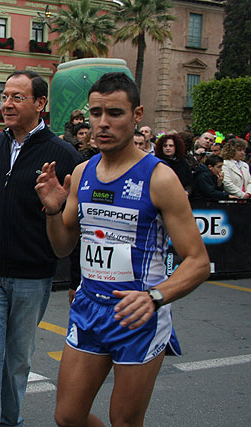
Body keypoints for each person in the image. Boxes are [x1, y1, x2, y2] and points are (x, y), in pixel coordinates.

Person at [35, 72, 210, 427]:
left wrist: (155, 297)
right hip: (88, 309)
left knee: (125, 422)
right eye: (96, 113)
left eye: (114, 113)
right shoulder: (83, 172)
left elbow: (199, 262)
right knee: (68, 417)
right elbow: (61, 247)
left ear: (137, 114)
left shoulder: (159, 178)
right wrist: (53, 212)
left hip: (138, 316)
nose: (102, 123)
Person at [0, 70, 81, 427]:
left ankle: (8, 421)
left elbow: (74, 223)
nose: (8, 103)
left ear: (40, 103)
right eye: (5, 96)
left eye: (17, 97)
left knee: (17, 360)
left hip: (32, 276)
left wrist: (77, 279)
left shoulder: (63, 155)